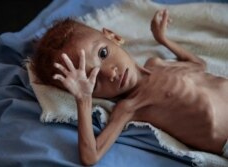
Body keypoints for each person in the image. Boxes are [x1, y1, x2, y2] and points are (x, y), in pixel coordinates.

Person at [31, 9, 228, 165]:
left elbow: (198, 66)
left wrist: (164, 40)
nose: (110, 73)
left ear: (113, 36)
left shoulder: (157, 63)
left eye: (103, 53)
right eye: (93, 78)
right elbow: (90, 156)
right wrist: (83, 99)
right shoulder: (130, 106)